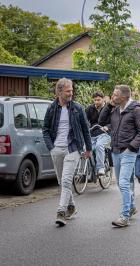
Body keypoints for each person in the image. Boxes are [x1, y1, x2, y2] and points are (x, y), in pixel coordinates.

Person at [42, 78, 92, 227]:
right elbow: (45, 129)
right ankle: (71, 207)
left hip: (73, 148)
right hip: (56, 148)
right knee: (61, 181)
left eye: (72, 90)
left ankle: (61, 212)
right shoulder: (52, 108)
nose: (71, 93)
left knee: (65, 181)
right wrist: (51, 147)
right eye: (68, 91)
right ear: (59, 91)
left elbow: (85, 129)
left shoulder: (77, 108)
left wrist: (88, 149)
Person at [109, 85, 140, 227]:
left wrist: (131, 147)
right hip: (115, 150)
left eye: (115, 94)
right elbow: (101, 121)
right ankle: (131, 206)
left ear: (124, 97)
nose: (113, 96)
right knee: (120, 183)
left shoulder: (136, 110)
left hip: (128, 151)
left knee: (124, 183)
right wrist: (109, 105)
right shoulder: (115, 110)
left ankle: (125, 216)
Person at [85, 91, 111, 176]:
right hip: (93, 133)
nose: (96, 102)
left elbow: (113, 121)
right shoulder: (89, 108)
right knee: (87, 148)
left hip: (105, 133)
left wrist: (107, 127)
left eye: (99, 100)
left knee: (99, 145)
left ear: (103, 99)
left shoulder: (108, 108)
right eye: (95, 100)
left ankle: (101, 168)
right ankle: (89, 171)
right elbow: (85, 121)